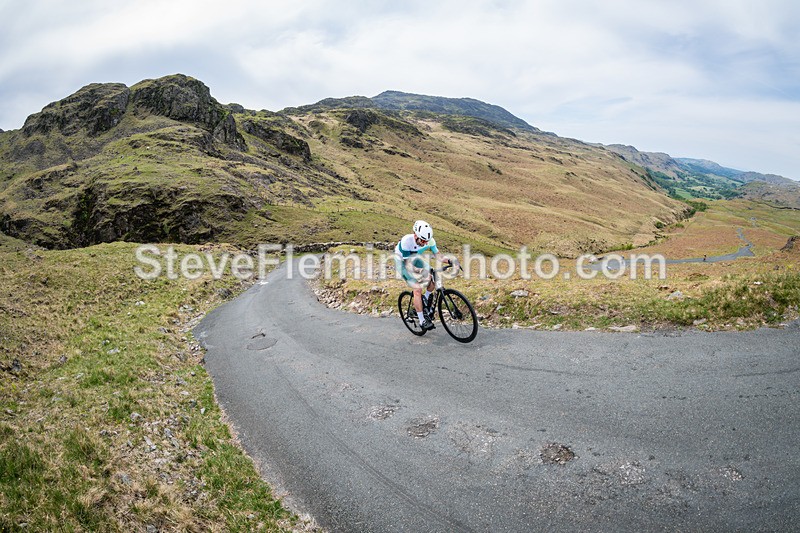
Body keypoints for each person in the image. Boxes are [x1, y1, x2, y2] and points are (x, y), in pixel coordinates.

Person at [394, 220, 450, 331]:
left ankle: (425, 298)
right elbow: (408, 265)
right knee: (417, 288)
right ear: (415, 235)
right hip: (402, 263)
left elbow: (438, 256)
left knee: (432, 276)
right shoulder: (406, 241)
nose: (425, 243)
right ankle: (422, 320)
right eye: (423, 241)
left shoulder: (429, 241)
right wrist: (420, 272)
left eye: (427, 241)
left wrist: (451, 261)